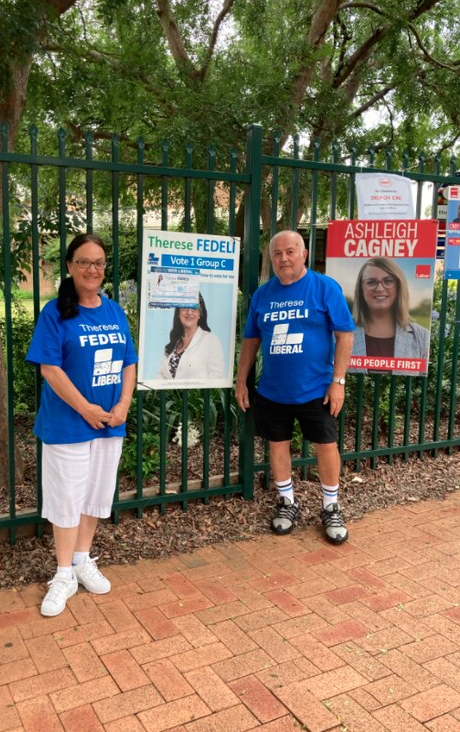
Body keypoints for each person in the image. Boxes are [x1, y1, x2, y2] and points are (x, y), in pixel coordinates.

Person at [26, 233, 137, 617]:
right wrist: (85, 408)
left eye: (99, 263)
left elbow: (128, 361)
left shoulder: (114, 311)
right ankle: (62, 575)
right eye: (84, 262)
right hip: (68, 425)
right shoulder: (54, 312)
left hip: (109, 424)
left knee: (93, 496)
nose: (92, 269)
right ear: (71, 266)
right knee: (66, 499)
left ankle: (81, 560)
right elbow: (49, 368)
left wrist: (123, 403)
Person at [235, 230, 355, 544]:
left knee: (326, 446)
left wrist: (338, 382)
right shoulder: (263, 294)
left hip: (317, 389)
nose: (284, 258)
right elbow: (251, 341)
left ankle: (330, 506)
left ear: (303, 254)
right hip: (274, 391)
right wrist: (241, 382)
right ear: (271, 259)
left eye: (290, 251)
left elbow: (345, 335)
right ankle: (287, 501)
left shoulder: (324, 288)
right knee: (277, 446)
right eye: (277, 253)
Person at [352, 257, 430, 369]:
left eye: (388, 281)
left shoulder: (422, 337)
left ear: (399, 286)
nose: (379, 288)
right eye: (371, 282)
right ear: (361, 288)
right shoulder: (341, 333)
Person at [157, 293, 225, 381]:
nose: (189, 312)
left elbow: (216, 376)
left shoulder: (211, 341)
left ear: (200, 314)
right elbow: (161, 374)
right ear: (178, 313)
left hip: (198, 395)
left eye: (194, 308)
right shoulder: (173, 343)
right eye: (185, 307)